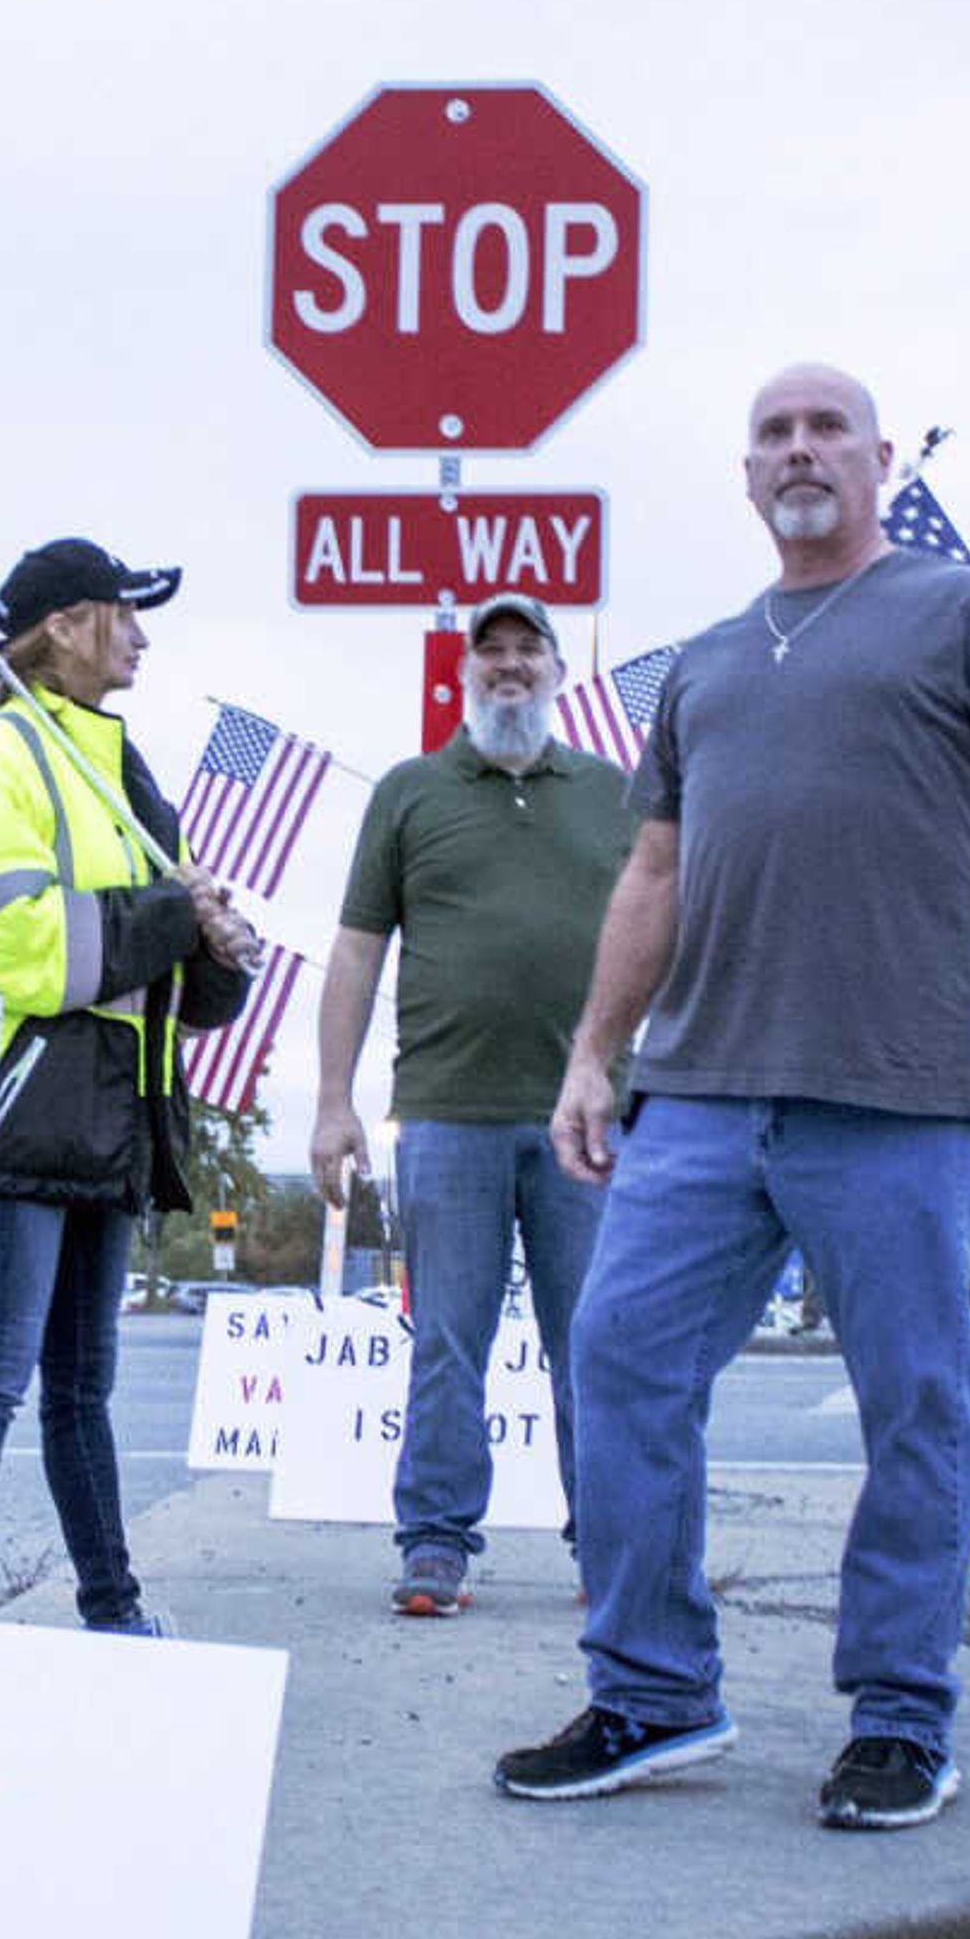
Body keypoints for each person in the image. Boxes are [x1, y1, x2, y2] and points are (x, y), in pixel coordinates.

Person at [495, 362, 970, 1831]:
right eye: (774, 435)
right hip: (703, 1095)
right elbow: (654, 874)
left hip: (895, 1093)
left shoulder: (963, 611)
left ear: (875, 463)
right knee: (617, 1362)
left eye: (827, 432)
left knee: (913, 1402)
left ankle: (902, 1716)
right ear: (748, 477)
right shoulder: (709, 666)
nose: (800, 452)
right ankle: (656, 1691)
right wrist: (594, 1051)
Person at [0, 536, 258, 1638]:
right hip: (10, 1114)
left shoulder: (118, 770)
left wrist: (213, 958)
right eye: (122, 613)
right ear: (62, 629)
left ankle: (113, 1606)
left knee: (81, 1387)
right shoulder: (1, 757)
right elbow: (10, 946)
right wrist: (167, 921)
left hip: (107, 1124)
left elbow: (161, 981)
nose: (140, 635)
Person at [310, 592, 635, 1616]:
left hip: (587, 1123)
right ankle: (437, 1540)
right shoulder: (409, 793)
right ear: (464, 676)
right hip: (446, 1115)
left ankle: (614, 1546)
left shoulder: (613, 795)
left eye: (525, 649)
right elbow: (358, 952)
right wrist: (333, 1099)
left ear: (555, 671)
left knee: (595, 1338)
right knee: (447, 1337)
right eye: (488, 651)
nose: (507, 665)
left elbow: (660, 944)